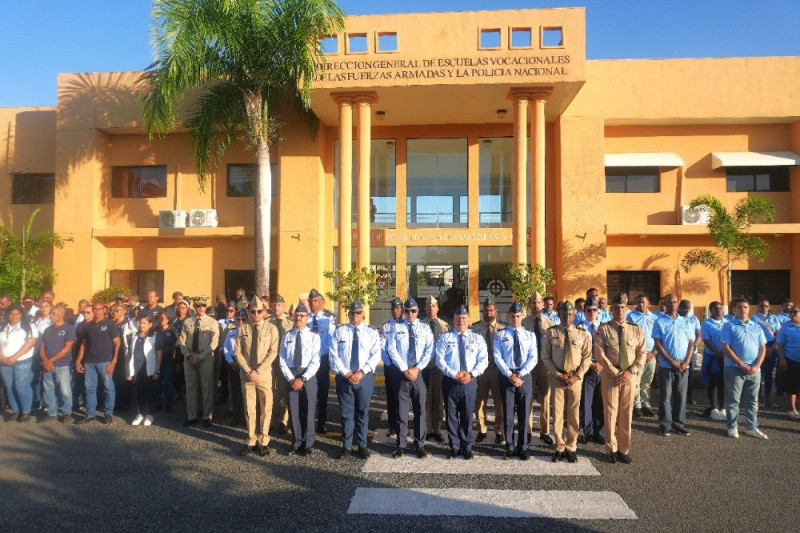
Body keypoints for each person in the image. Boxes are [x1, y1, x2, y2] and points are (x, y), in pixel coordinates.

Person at [594, 294, 646, 464]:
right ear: (611, 309)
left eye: (623, 307)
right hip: (611, 376)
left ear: (626, 309)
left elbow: (642, 353)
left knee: (626, 413)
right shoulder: (604, 329)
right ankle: (611, 448)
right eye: (616, 307)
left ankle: (624, 449)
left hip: (629, 376)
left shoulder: (635, 329)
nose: (620, 310)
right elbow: (599, 354)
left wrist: (631, 372)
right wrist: (617, 372)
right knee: (610, 413)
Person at [330, 299, 382, 459]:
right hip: (344, 378)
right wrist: (346, 373)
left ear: (363, 315)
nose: (355, 315)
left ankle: (362, 445)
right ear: (348, 314)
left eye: (358, 312)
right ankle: (346, 446)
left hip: (364, 378)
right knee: (346, 414)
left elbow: (376, 355)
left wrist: (361, 372)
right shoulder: (339, 331)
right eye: (352, 312)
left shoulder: (371, 332)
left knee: (362, 413)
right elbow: (334, 356)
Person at [436, 305, 488, 460]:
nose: (461, 321)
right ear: (453, 320)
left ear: (468, 320)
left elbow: (483, 360)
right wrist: (454, 374)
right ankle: (454, 446)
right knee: (451, 415)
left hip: (469, 382)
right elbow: (440, 360)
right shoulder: (445, 338)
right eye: (458, 318)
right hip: (450, 381)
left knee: (466, 415)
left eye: (464, 318)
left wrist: (471, 374)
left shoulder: (477, 338)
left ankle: (467, 446)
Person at [542, 301, 592, 463]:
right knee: (557, 413)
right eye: (564, 314)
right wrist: (558, 374)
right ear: (559, 314)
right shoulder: (551, 333)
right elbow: (545, 357)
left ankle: (571, 446)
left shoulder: (582, 333)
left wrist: (577, 376)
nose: (567, 316)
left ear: (575, 315)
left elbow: (586, 357)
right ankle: (559, 446)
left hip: (575, 379)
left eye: (570, 314)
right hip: (557, 378)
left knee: (573, 413)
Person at [387, 297, 434, 458]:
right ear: (403, 311)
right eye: (407, 311)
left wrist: (417, 368)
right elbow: (391, 349)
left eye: (413, 311)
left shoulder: (424, 328)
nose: (410, 314)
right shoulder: (396, 328)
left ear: (417, 312)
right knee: (401, 411)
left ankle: (419, 445)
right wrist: (405, 369)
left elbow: (429, 350)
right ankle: (401, 444)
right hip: (403, 374)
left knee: (420, 411)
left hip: (419, 375)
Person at [235, 296, 280, 456]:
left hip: (264, 374)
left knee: (266, 408)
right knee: (249, 408)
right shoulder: (242, 329)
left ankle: (264, 441)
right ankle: (251, 440)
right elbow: (237, 352)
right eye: (252, 311)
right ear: (248, 312)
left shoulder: (271, 329)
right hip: (247, 374)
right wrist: (248, 370)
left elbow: (273, 352)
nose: (255, 314)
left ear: (264, 312)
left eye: (259, 311)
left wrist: (258, 370)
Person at [494, 302, 537, 460]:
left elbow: (534, 357)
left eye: (518, 316)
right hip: (507, 377)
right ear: (508, 317)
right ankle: (509, 446)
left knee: (524, 413)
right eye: (512, 316)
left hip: (524, 376)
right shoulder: (501, 334)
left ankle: (523, 446)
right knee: (508, 413)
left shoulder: (529, 334)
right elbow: (497, 356)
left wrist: (520, 374)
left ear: (522, 317)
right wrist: (510, 375)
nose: (515, 319)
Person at [721, 298, 768, 439]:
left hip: (754, 369)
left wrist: (757, 365)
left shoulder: (756, 326)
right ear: (734, 310)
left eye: (745, 307)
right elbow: (726, 347)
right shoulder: (728, 326)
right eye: (739, 307)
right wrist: (741, 364)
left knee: (752, 400)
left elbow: (762, 348)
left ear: (749, 309)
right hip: (734, 368)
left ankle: (751, 427)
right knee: (733, 400)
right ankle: (732, 426)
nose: (743, 310)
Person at [279, 303, 320, 456]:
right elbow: (282, 359)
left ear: (307, 318)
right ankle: (296, 441)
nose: (299, 318)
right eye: (296, 316)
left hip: (307, 375)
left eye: (302, 316)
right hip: (291, 375)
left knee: (308, 410)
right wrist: (291, 379)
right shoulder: (287, 336)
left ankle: (308, 443)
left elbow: (316, 361)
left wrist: (303, 378)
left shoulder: (314, 336)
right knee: (294, 411)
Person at [652, 294, 695, 437]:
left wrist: (687, 362)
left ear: (678, 304)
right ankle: (665, 424)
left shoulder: (686, 322)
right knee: (665, 396)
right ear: (665, 303)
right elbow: (658, 344)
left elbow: (691, 343)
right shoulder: (659, 321)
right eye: (669, 302)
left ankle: (678, 424)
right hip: (667, 365)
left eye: (675, 302)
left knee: (681, 395)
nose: (672, 304)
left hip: (684, 365)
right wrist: (672, 361)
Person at [75, 302, 121, 425]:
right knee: (89, 389)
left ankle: (108, 413)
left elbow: (117, 343)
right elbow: (83, 345)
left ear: (104, 310)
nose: (97, 311)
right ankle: (90, 414)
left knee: (108, 388)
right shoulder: (88, 326)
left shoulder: (110, 324)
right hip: (89, 362)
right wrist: (79, 360)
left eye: (99, 308)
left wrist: (114, 361)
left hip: (105, 362)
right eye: (94, 309)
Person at [179, 296, 220, 428]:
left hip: (205, 357)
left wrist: (201, 357)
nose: (201, 308)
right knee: (191, 387)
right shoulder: (188, 322)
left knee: (206, 387)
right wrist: (189, 357)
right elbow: (182, 342)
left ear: (206, 307)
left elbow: (214, 343)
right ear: (194, 307)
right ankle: (192, 416)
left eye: (203, 306)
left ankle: (207, 416)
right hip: (190, 357)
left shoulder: (212, 322)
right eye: (198, 306)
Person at [471, 296, 506, 444]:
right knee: (480, 402)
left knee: (499, 402)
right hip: (481, 371)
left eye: (491, 310)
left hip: (498, 370)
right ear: (482, 311)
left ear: (496, 311)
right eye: (485, 310)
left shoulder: (504, 329)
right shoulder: (475, 328)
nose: (488, 313)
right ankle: (482, 429)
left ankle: (499, 430)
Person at [522, 292, 555, 445]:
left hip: (544, 366)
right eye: (533, 302)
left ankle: (545, 431)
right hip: (528, 367)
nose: (536, 305)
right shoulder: (523, 323)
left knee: (545, 399)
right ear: (529, 305)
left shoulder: (550, 324)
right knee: (527, 398)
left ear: (543, 305)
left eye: (539, 302)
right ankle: (527, 430)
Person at [0, 305, 39, 422]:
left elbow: (31, 343)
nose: (14, 316)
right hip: (4, 362)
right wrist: (2, 358)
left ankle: (25, 411)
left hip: (22, 361)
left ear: (22, 314)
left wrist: (14, 357)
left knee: (21, 387)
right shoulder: (3, 327)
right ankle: (16, 410)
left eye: (17, 314)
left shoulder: (28, 326)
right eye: (11, 314)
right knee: (9, 387)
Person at [576, 298, 605, 445]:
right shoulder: (579, 328)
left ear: (598, 311)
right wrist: (591, 365)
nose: (592, 313)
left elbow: (609, 349)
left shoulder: (604, 327)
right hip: (587, 369)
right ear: (584, 311)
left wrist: (600, 364)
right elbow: (577, 351)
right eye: (589, 310)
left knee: (600, 401)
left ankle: (599, 432)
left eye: (594, 310)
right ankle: (588, 432)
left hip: (602, 369)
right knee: (586, 402)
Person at [40, 303, 75, 422]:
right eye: (51, 314)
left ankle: (66, 412)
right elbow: (42, 347)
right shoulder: (47, 330)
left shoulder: (69, 328)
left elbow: (67, 348)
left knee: (65, 390)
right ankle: (51, 412)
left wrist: (51, 360)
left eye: (54, 314)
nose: (51, 316)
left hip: (62, 365)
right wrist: (45, 361)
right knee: (48, 390)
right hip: (47, 365)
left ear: (62, 315)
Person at [307, 288, 336, 434]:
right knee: (309, 393)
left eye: (316, 300)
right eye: (311, 301)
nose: (313, 303)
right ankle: (309, 422)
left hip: (323, 359)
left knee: (323, 392)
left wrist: (320, 354)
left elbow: (331, 339)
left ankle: (322, 422)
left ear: (322, 302)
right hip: (308, 361)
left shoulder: (329, 317)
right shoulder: (304, 317)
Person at [421, 295, 449, 443]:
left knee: (438, 399)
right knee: (425, 399)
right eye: (428, 306)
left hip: (439, 369)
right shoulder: (420, 325)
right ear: (425, 308)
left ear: (438, 307)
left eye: (433, 306)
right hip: (424, 368)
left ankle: (437, 429)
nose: (431, 308)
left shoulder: (445, 326)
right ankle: (426, 428)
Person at [125, 315, 161, 426]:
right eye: (140, 322)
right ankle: (139, 414)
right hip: (136, 369)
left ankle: (149, 415)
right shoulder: (134, 336)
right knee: (138, 393)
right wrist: (128, 371)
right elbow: (130, 353)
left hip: (149, 370)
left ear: (150, 324)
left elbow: (159, 353)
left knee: (150, 392)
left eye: (145, 323)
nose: (142, 325)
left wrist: (157, 370)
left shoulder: (154, 336)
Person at [627, 294, 657, 418]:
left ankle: (646, 403)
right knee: (636, 381)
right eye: (638, 302)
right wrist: (639, 354)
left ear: (648, 303)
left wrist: (653, 353)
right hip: (637, 355)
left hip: (651, 354)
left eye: (643, 302)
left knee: (647, 381)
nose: (641, 304)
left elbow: (658, 337)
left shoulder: (654, 317)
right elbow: (628, 336)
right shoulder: (631, 316)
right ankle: (637, 405)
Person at [268, 294, 292, 433]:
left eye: (279, 305)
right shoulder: (268, 322)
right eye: (275, 304)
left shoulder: (290, 322)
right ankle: (269, 419)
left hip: (284, 361)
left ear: (284, 307)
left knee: (283, 390)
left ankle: (283, 420)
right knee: (269, 391)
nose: (277, 307)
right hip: (269, 361)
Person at [380, 297, 404, 438]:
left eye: (398, 308)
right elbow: (383, 348)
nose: (396, 310)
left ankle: (402, 425)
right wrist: (389, 364)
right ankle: (392, 426)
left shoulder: (407, 325)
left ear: (401, 309)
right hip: (390, 369)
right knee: (391, 397)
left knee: (403, 398)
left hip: (403, 368)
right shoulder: (386, 327)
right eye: (393, 308)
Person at [700, 302, 728, 420]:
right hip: (713, 358)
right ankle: (713, 408)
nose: (718, 310)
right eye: (715, 308)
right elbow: (706, 341)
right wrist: (718, 352)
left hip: (726, 358)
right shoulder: (707, 324)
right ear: (710, 310)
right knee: (713, 383)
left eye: (720, 308)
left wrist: (726, 353)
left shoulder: (727, 323)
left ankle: (722, 408)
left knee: (723, 383)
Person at [753, 298, 781, 407]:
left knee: (769, 374)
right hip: (760, 347)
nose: (764, 307)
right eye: (761, 306)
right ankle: (759, 399)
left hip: (772, 347)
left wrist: (773, 347)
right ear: (758, 307)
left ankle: (769, 399)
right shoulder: (754, 318)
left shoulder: (774, 318)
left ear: (769, 307)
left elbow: (778, 333)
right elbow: (754, 334)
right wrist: (764, 348)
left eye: (766, 306)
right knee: (759, 373)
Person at [222, 309, 246, 427]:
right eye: (239, 319)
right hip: (233, 365)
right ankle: (236, 417)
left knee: (247, 393)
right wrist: (231, 362)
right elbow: (226, 349)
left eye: (243, 319)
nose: (241, 322)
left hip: (246, 366)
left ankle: (247, 419)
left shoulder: (250, 333)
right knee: (236, 392)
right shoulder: (231, 332)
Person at [777, 307, 800, 419]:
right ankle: (792, 409)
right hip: (791, 360)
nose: (792, 314)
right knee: (792, 386)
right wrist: (782, 359)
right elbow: (780, 344)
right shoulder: (785, 326)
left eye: (795, 312)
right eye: (791, 312)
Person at [678, 299, 702, 405]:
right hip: (680, 351)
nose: (685, 310)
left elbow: (699, 334)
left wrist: (694, 346)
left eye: (687, 308)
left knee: (690, 375)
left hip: (692, 352)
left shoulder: (694, 319)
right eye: (683, 308)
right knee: (678, 373)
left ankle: (689, 396)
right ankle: (678, 396)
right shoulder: (676, 318)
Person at [153, 311, 178, 412]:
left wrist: (174, 348)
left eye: (162, 318)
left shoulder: (172, 330)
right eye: (158, 318)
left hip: (168, 360)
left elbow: (179, 339)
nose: (160, 320)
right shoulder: (154, 330)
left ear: (167, 319)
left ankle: (168, 404)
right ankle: (158, 403)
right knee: (157, 382)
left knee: (168, 383)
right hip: (156, 360)